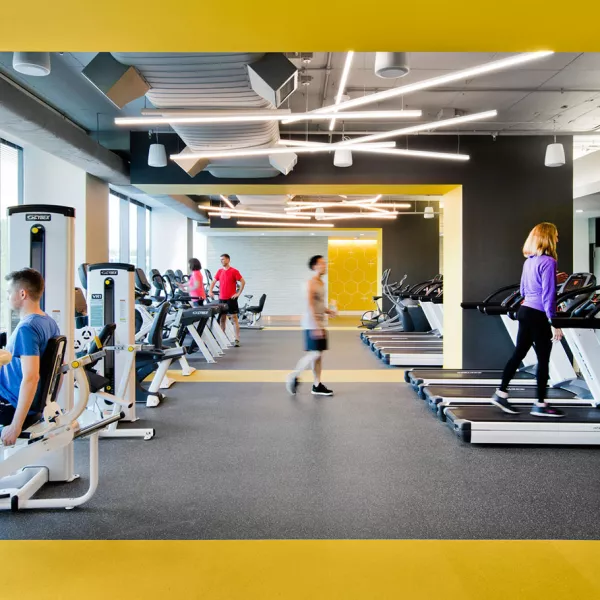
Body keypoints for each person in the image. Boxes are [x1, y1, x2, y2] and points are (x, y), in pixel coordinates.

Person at [490, 222, 566, 418]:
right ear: (548, 237)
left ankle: (501, 392)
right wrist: (555, 322)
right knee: (543, 359)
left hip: (525, 310)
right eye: (556, 235)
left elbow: (524, 290)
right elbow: (549, 295)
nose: (558, 239)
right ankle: (540, 404)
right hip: (538, 314)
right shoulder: (549, 262)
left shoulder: (529, 261)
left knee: (519, 353)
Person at [0, 268, 60, 446]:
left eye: (9, 292)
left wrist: (16, 426)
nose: (7, 296)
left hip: (7, 402)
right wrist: (48, 402)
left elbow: (31, 377)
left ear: (22, 293)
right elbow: (59, 369)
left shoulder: (26, 328)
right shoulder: (48, 322)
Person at [286, 255, 336, 397]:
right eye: (321, 264)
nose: (324, 265)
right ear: (314, 266)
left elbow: (318, 303)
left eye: (325, 263)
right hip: (311, 323)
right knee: (315, 353)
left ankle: (317, 385)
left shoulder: (321, 283)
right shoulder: (311, 283)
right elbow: (309, 305)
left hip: (319, 322)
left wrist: (328, 310)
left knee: (319, 355)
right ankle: (294, 376)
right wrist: (315, 326)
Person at [209, 254, 245, 347]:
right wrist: (210, 291)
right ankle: (222, 339)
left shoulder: (234, 271)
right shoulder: (219, 271)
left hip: (231, 299)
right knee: (222, 319)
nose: (221, 261)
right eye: (220, 260)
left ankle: (237, 339)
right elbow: (213, 282)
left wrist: (238, 293)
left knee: (234, 318)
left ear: (228, 260)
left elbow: (243, 281)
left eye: (223, 259)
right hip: (222, 299)